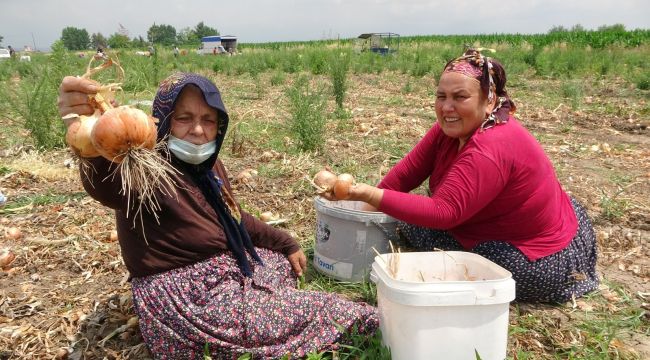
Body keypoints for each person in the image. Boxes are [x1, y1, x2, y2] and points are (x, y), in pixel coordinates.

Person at [57, 72, 377, 358]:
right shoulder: (143, 164)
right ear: (162, 120)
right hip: (190, 301)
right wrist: (97, 139)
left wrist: (287, 242)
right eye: (184, 118)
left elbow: (235, 217)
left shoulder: (206, 167)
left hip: (220, 273)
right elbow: (108, 182)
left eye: (209, 119)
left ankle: (268, 307)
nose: (198, 130)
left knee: (277, 262)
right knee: (336, 311)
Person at [327, 49, 598, 303]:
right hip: (505, 223)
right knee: (402, 215)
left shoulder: (492, 145)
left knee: (453, 261)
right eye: (441, 96)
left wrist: (362, 192)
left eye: (460, 97)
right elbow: (404, 176)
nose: (447, 107)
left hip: (539, 253)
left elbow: (444, 211)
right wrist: (360, 218)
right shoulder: (449, 130)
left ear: (490, 100)